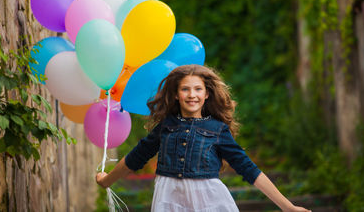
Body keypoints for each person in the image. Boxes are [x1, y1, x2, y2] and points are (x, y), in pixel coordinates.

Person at [96, 64, 311, 212]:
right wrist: (107, 180)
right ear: (176, 94)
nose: (192, 95)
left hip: (209, 201)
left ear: (207, 94)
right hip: (169, 201)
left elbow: (249, 169)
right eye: (185, 89)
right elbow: (136, 157)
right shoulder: (167, 126)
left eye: (198, 89)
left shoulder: (217, 130)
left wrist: (287, 206)